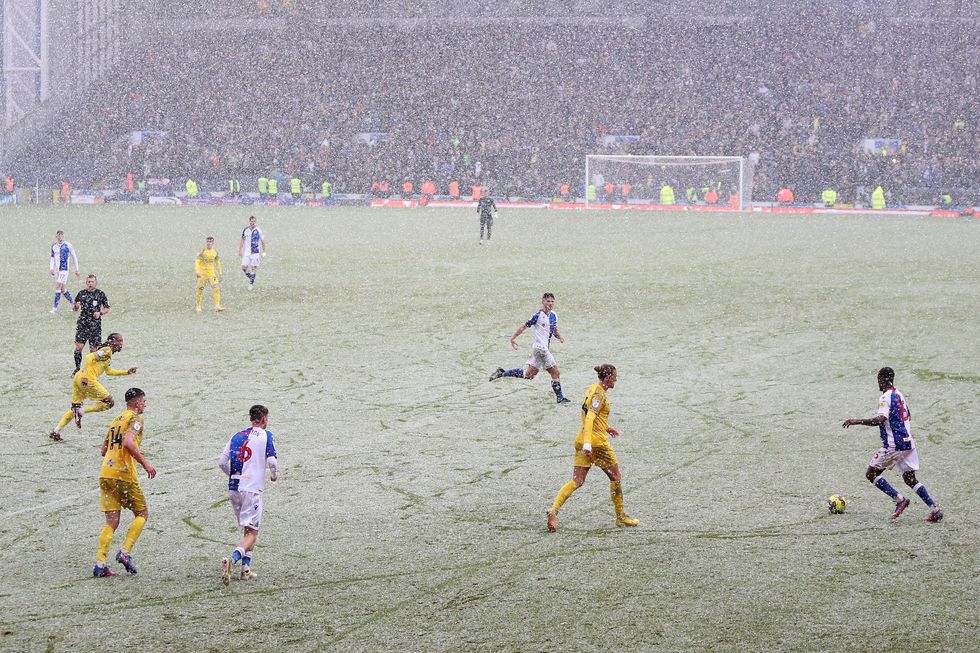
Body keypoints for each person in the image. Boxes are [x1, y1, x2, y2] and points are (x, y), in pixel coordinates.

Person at [842, 367, 943, 522]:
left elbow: (880, 419)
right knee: (910, 479)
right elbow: (907, 416)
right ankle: (935, 510)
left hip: (894, 446)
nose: (878, 383)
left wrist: (856, 421)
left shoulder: (885, 397)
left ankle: (900, 500)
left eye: (878, 380)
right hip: (908, 443)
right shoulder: (899, 395)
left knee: (871, 474)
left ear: (883, 379)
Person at [546, 364, 639, 532]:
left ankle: (554, 510)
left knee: (576, 480)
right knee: (616, 477)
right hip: (596, 444)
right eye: (615, 376)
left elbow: (589, 414)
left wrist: (606, 427)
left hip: (581, 439)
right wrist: (589, 443)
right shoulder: (600, 395)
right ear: (609, 377)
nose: (616, 379)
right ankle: (620, 517)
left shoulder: (592, 389)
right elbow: (590, 417)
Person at [92, 387, 156, 577]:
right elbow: (128, 443)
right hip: (122, 473)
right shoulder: (135, 419)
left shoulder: (116, 420)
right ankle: (125, 552)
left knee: (111, 521)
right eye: (143, 401)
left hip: (105, 473)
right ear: (137, 402)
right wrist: (145, 463)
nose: (145, 404)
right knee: (142, 513)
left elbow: (103, 449)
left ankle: (100, 563)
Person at [219, 405, 278, 585]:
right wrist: (274, 476)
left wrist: (236, 475)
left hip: (234, 488)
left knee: (247, 529)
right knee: (253, 532)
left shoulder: (236, 435)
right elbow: (272, 461)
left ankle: (246, 571)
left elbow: (221, 463)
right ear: (264, 419)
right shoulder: (266, 435)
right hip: (251, 489)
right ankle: (232, 559)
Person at [50, 333, 136, 441]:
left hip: (78, 378)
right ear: (111, 341)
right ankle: (81, 411)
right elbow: (88, 357)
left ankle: (56, 430)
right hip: (87, 379)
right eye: (119, 341)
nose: (121, 344)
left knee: (75, 408)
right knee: (109, 402)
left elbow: (109, 372)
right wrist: (86, 376)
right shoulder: (107, 350)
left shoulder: (108, 355)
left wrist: (127, 372)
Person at [489, 293, 569, 404]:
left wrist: (559, 336)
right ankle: (560, 398)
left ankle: (501, 373)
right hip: (540, 349)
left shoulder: (554, 315)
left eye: (552, 301)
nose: (550, 303)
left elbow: (554, 330)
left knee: (529, 375)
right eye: (548, 301)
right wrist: (513, 338)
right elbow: (524, 326)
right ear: (543, 302)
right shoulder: (537, 315)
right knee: (555, 373)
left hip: (541, 349)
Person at [72, 275, 111, 374]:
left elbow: (107, 308)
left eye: (92, 282)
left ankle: (90, 371)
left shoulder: (100, 294)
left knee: (93, 350)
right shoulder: (81, 293)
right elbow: (75, 308)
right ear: (86, 283)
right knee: (78, 348)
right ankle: (77, 368)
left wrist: (100, 313)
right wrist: (76, 306)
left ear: (95, 283)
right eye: (89, 282)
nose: (90, 283)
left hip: (95, 325)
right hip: (83, 324)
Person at [49, 230, 79, 313]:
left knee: (58, 286)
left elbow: (74, 257)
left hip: (64, 270)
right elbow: (52, 258)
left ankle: (55, 308)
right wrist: (51, 268)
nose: (60, 237)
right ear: (56, 237)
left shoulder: (68, 245)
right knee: (62, 289)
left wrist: (77, 269)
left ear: (63, 236)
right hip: (57, 270)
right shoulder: (54, 246)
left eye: (61, 235)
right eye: (58, 235)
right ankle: (74, 303)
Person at [194, 236, 225, 312]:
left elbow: (217, 263)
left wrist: (220, 273)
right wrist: (197, 271)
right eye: (208, 242)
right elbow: (197, 261)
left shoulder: (215, 252)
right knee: (200, 289)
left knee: (216, 287)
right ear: (206, 242)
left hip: (211, 274)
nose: (209, 243)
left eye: (210, 242)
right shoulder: (202, 251)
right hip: (202, 274)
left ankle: (217, 306)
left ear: (213, 243)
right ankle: (198, 305)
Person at [238, 215, 267, 290]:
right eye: (251, 221)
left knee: (254, 267)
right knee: (244, 267)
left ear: (256, 222)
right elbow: (242, 240)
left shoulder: (259, 231)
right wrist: (240, 250)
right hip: (247, 252)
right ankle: (251, 276)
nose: (253, 223)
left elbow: (263, 241)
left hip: (255, 252)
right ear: (249, 222)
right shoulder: (245, 230)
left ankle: (251, 283)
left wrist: (264, 251)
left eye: (254, 221)